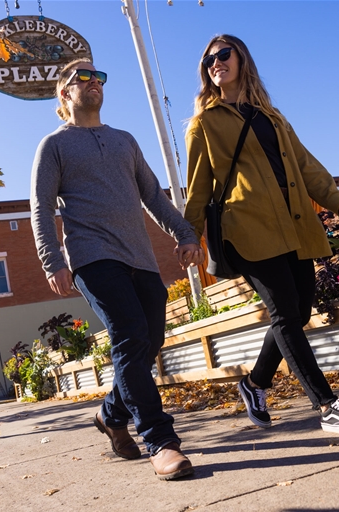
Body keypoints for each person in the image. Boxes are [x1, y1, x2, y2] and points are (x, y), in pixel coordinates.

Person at [184, 35, 339, 435]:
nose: (215, 63)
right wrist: (190, 235)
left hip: (293, 225)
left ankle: (254, 383)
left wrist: (335, 198)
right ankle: (327, 406)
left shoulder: (272, 117)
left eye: (223, 55)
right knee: (285, 314)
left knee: (299, 312)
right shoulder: (204, 124)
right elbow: (198, 188)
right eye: (208, 60)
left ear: (241, 60)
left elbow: (305, 164)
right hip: (248, 228)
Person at [30, 58, 204, 480]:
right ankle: (160, 441)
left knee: (151, 339)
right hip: (92, 256)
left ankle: (110, 415)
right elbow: (40, 208)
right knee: (129, 333)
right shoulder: (53, 145)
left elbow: (154, 196)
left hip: (140, 257)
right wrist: (53, 260)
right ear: (64, 93)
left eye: (99, 77)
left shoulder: (125, 140)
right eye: (82, 77)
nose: (94, 82)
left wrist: (184, 233)